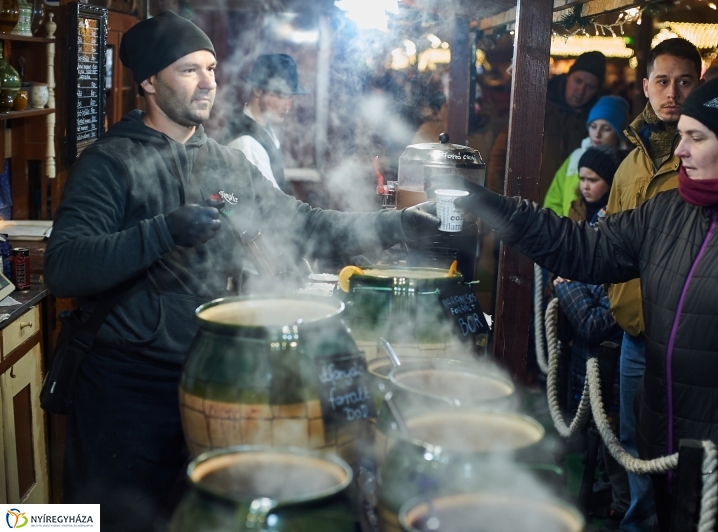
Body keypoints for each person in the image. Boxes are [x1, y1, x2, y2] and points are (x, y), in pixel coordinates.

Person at [43, 12, 438, 532]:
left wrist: (395, 225)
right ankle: (27, 523)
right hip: (124, 391)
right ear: (148, 82)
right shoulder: (109, 162)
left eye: (211, 68)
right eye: (189, 70)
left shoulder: (225, 165)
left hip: (208, 381)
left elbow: (302, 224)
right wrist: (163, 231)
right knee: (97, 523)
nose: (209, 82)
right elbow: (65, 267)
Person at [438, 71, 718, 531]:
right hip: (666, 455)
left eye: (695, 137)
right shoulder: (668, 212)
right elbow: (582, 249)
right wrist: (492, 206)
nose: (681, 149)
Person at [604, 37, 701, 532]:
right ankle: (638, 524)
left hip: (687, 336)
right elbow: (611, 243)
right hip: (635, 332)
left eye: (684, 82)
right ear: (645, 87)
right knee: (634, 442)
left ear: (698, 85)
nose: (672, 93)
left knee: (682, 449)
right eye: (662, 82)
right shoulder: (630, 164)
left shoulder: (707, 160)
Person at [554, 145, 628, 531]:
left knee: (615, 451)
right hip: (587, 371)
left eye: (593, 179)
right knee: (593, 447)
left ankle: (617, 504)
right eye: (581, 179)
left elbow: (595, 320)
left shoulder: (615, 236)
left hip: (607, 372)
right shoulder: (584, 222)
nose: (584, 186)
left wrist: (565, 286)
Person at [225, 53, 306, 193]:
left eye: (290, 98)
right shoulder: (247, 144)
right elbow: (272, 205)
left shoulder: (265, 129)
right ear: (258, 90)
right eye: (281, 96)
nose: (287, 106)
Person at [543, 95, 629, 216]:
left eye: (606, 129)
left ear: (618, 133)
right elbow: (553, 199)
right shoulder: (575, 158)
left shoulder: (626, 165)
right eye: (593, 127)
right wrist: (560, 227)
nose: (597, 134)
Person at [540, 51, 606, 198]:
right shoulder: (540, 106)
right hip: (530, 201)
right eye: (578, 81)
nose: (581, 90)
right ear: (568, 77)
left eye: (590, 87)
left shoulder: (596, 123)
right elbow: (501, 155)